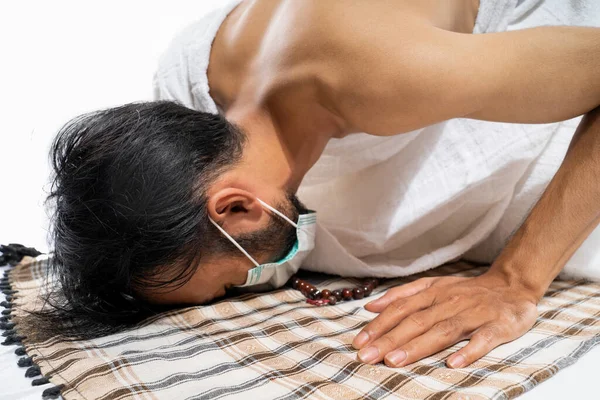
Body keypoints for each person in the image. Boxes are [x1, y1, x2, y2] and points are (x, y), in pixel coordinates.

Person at [44, 0, 600, 372]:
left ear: (237, 206)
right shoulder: (191, 74)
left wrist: (514, 282)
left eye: (230, 287)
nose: (247, 288)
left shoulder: (393, 75)